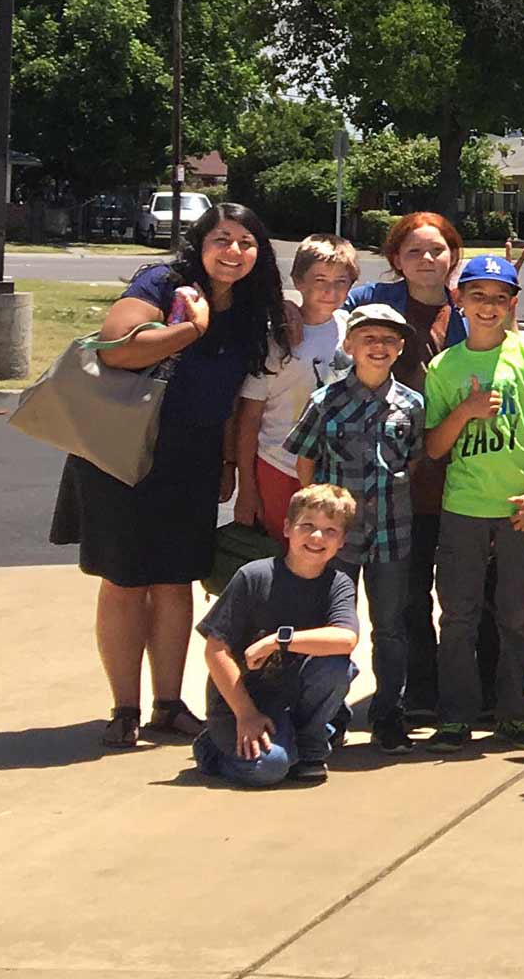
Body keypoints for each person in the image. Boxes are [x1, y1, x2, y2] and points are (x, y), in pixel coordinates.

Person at [51, 203, 297, 748]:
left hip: (194, 457)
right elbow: (116, 350)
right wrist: (189, 329)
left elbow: (239, 398)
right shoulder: (164, 283)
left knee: (175, 579)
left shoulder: (252, 307)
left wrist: (231, 463)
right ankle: (124, 707)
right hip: (126, 451)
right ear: (200, 242)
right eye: (223, 239)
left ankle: (167, 705)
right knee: (124, 580)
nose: (233, 252)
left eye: (246, 243)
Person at [420, 252, 524, 747]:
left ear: (512, 304)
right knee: (459, 615)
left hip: (519, 510)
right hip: (463, 508)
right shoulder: (446, 366)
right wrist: (465, 411)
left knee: (516, 615)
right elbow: (434, 446)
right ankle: (456, 713)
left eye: (499, 298)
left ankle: (514, 709)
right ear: (460, 300)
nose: (488, 307)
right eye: (478, 296)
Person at [345, 210, 480, 723]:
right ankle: (418, 690)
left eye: (438, 250)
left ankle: (471, 689)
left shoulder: (468, 310)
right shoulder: (371, 306)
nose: (428, 260)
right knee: (409, 591)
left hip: (466, 469)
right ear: (396, 259)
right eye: (415, 251)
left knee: (468, 591)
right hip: (400, 475)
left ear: (453, 256)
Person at [285, 302, 425, 749]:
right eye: (368, 339)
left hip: (392, 530)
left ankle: (388, 713)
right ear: (349, 345)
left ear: (401, 348)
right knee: (334, 625)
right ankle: (330, 715)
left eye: (388, 340)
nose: (378, 348)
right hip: (338, 538)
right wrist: (316, 520)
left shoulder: (411, 403)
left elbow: (414, 458)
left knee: (391, 626)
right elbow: (306, 458)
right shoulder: (326, 401)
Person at [191, 484, 362, 786]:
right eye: (307, 526)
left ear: (342, 541)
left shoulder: (339, 584)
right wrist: (245, 714)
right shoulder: (254, 576)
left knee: (338, 664)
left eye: (330, 530)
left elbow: (346, 638)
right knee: (268, 769)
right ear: (287, 528)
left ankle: (309, 744)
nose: (317, 537)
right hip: (242, 700)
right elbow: (215, 650)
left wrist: (278, 640)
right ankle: (212, 749)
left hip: (292, 697)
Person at [231, 235, 355, 539]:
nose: (330, 290)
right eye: (320, 279)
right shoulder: (277, 338)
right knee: (283, 549)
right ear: (298, 281)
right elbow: (250, 418)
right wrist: (246, 487)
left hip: (333, 468)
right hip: (278, 464)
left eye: (341, 281)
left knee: (324, 549)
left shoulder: (352, 329)